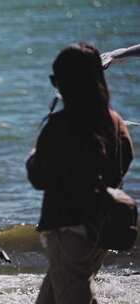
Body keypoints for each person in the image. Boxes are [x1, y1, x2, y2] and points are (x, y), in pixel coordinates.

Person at [26, 42, 134, 304]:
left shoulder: (61, 124)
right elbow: (125, 160)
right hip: (101, 227)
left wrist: (32, 157)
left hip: (67, 230)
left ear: (67, 81)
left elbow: (39, 177)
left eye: (56, 79)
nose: (55, 85)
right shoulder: (115, 120)